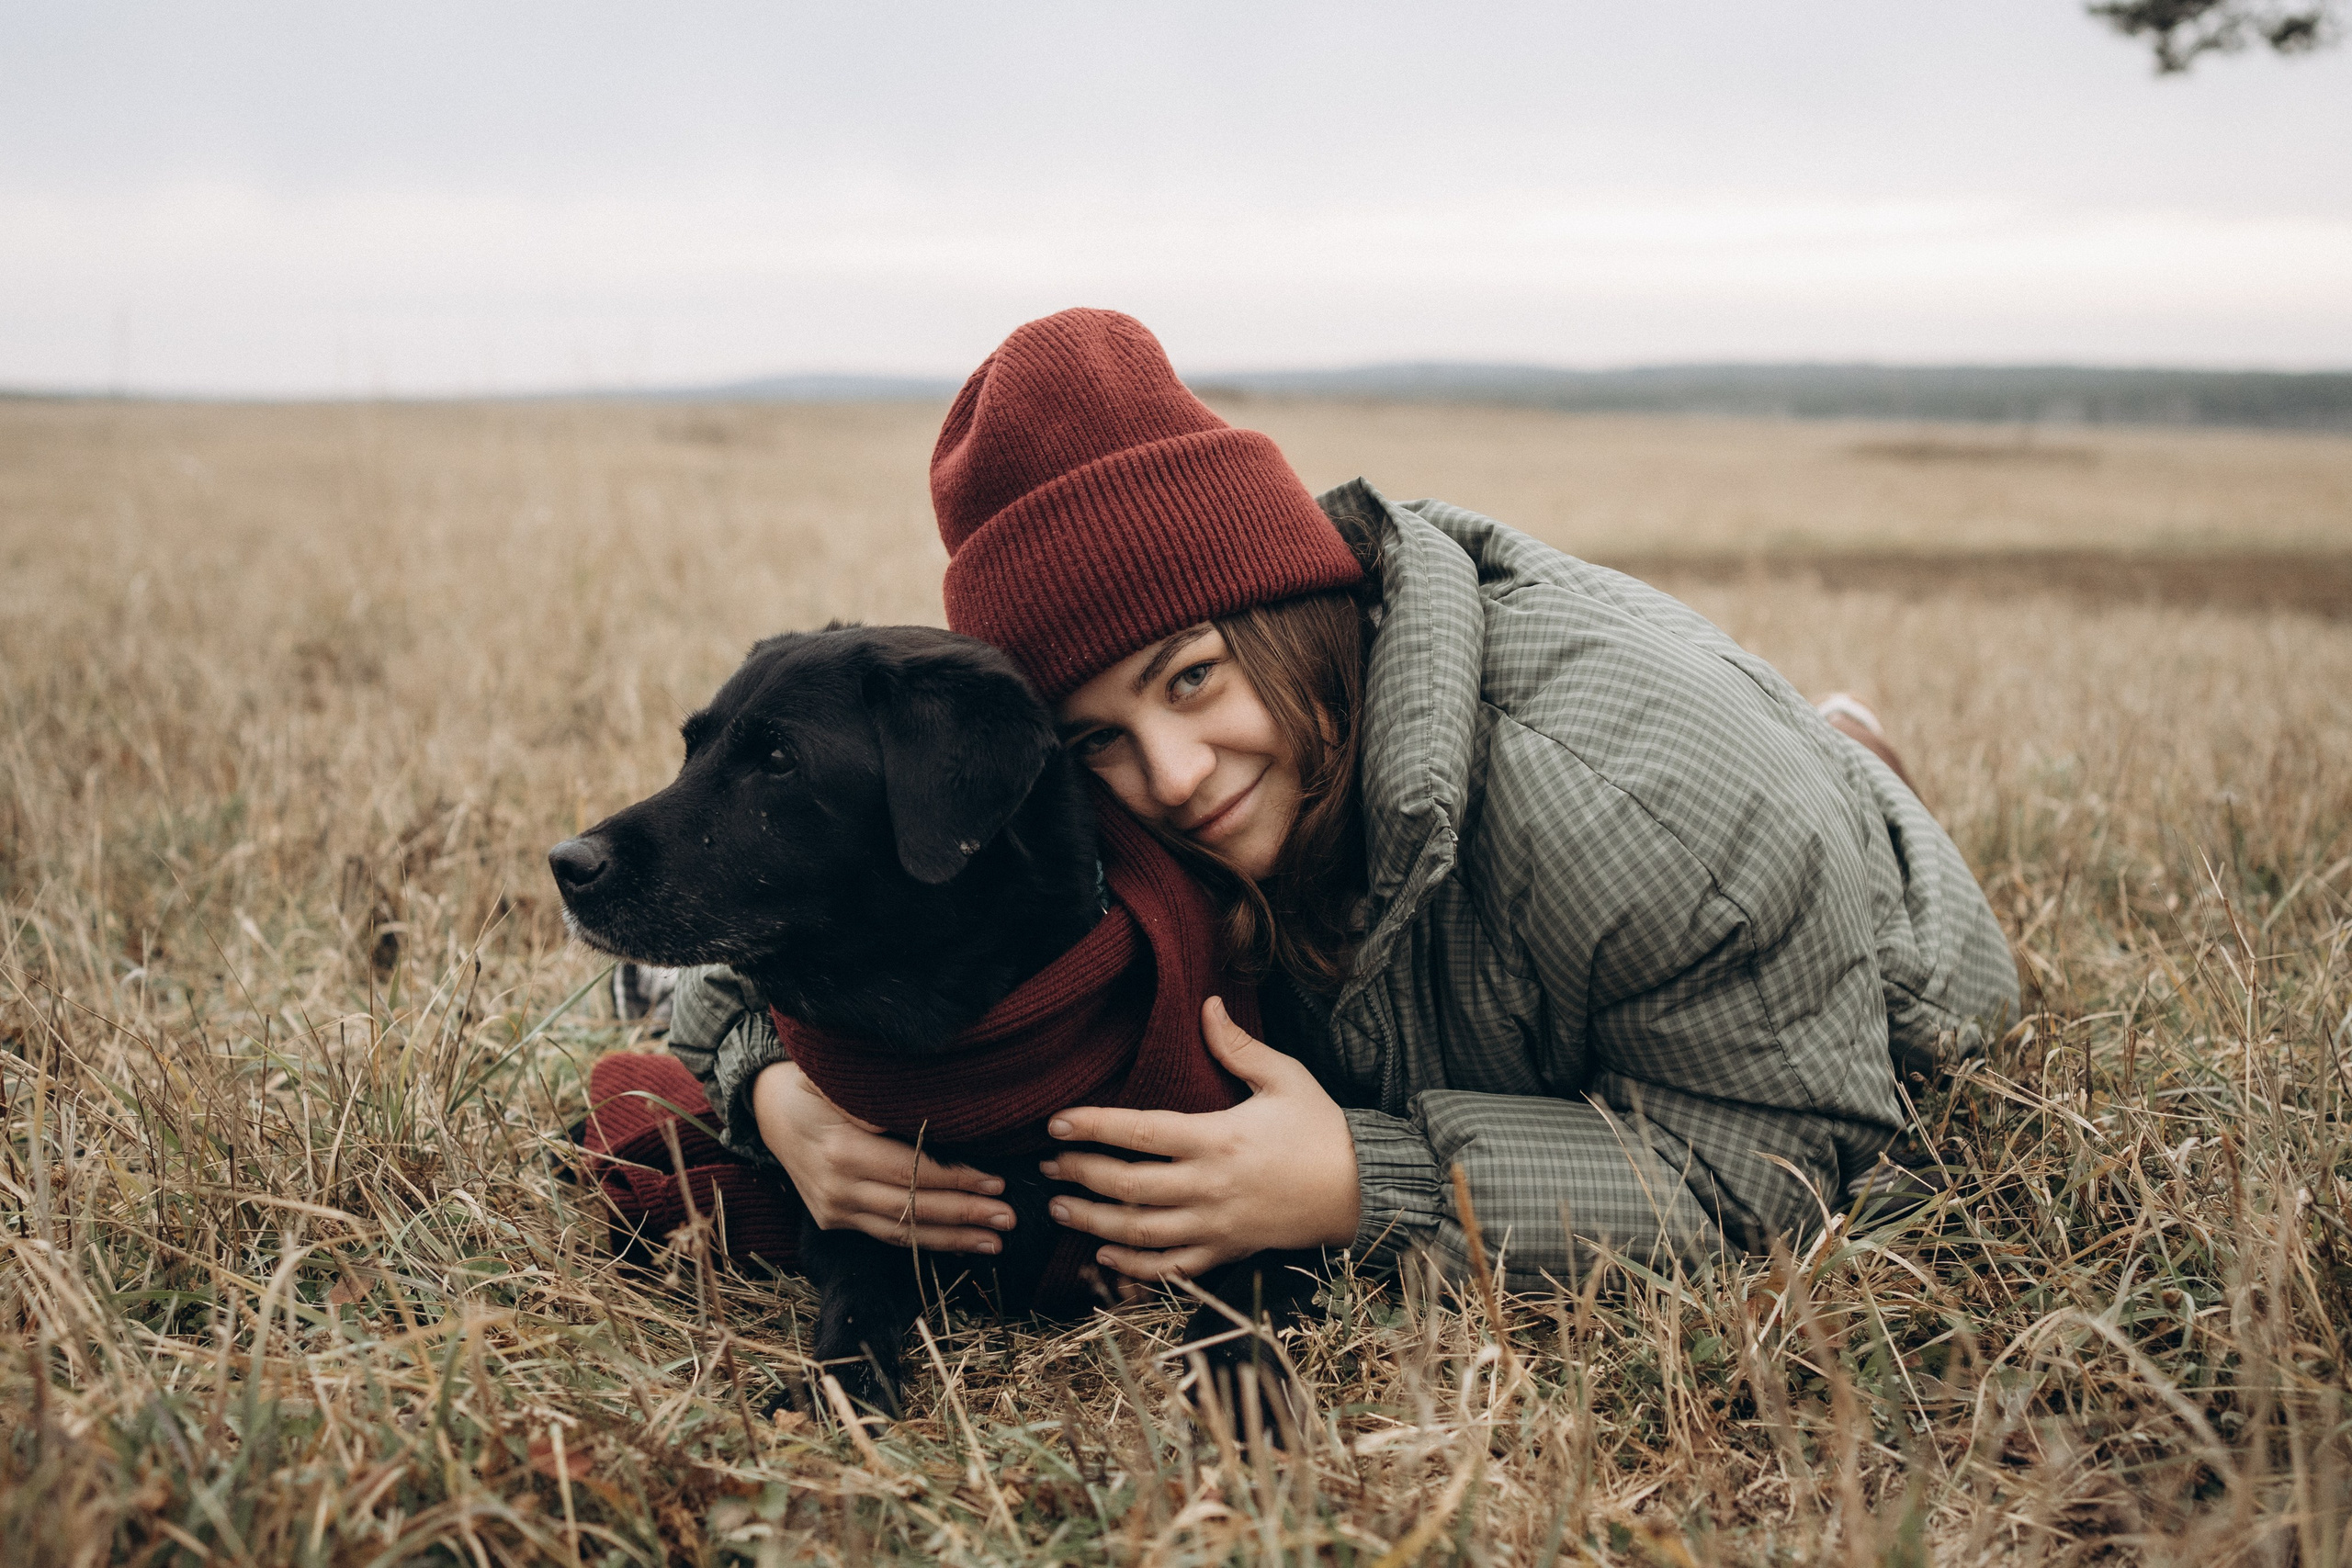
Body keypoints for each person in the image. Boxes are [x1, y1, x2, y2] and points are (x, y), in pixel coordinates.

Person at [658, 308, 2018, 1292]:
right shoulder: (1128, 781)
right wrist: (782, 1097)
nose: (1173, 781)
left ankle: (1855, 762)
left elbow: (1786, 1172)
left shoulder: (1655, 814)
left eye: (1191, 678)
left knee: (1818, 804)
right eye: (1099, 739)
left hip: (1816, 903)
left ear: (1299, 607)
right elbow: (811, 918)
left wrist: (1367, 1182)